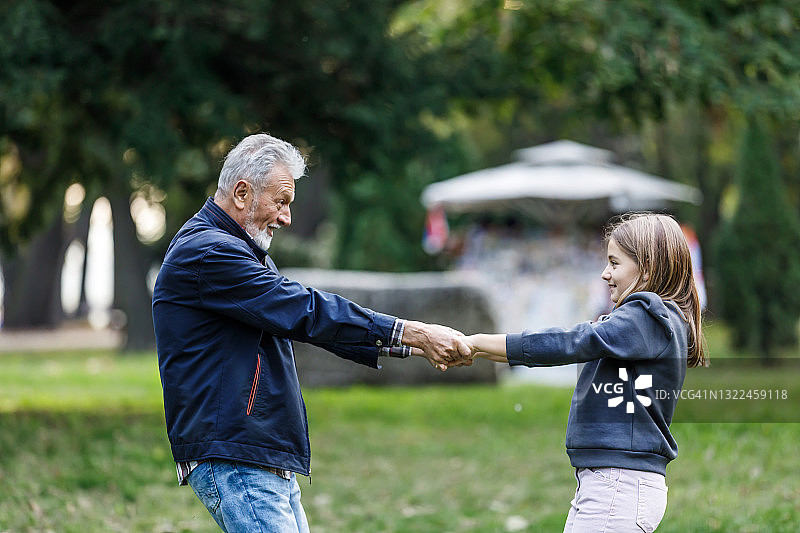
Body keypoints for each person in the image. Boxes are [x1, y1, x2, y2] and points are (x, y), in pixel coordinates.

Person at [152, 133, 471, 533]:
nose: (286, 218)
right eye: (281, 201)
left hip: (256, 454)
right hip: (238, 457)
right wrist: (414, 333)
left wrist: (411, 342)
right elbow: (307, 309)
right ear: (241, 192)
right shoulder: (211, 253)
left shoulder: (227, 249)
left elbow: (305, 317)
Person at [462, 213, 707, 533]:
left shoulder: (645, 318)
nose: (605, 274)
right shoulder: (648, 321)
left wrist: (481, 344)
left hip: (618, 485)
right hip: (613, 482)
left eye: (614, 263)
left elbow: (571, 341)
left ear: (646, 269)